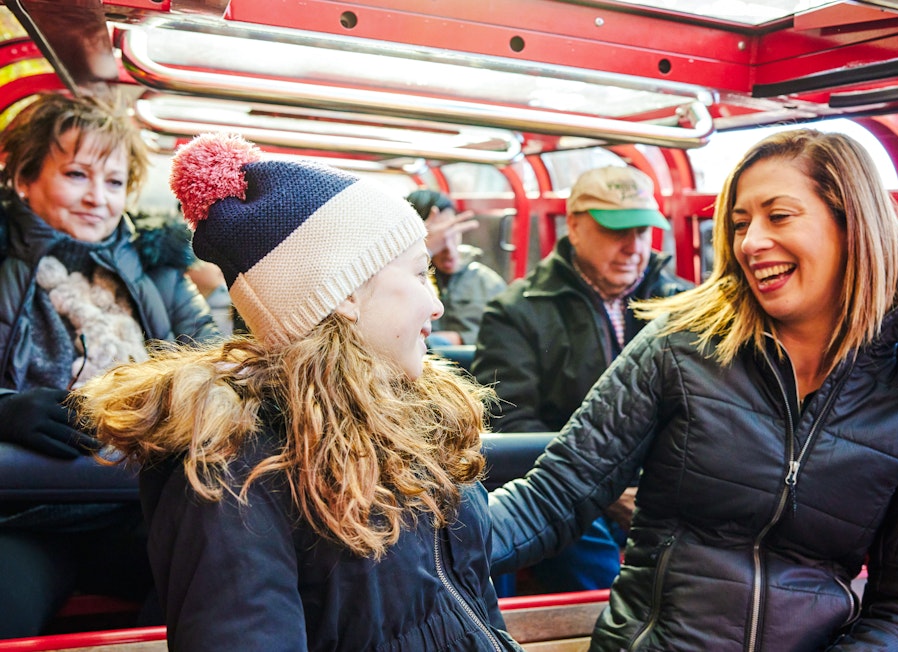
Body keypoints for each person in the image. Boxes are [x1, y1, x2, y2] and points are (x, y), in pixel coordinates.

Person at [488, 129, 898, 651]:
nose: (751, 242)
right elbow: (556, 494)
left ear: (852, 225)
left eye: (778, 216)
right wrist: (422, 543)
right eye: (740, 223)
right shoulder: (680, 347)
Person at [74, 132, 523, 651]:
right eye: (420, 276)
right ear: (348, 293)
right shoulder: (236, 473)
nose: (435, 305)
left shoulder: (404, 419)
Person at [0, 93, 218, 638]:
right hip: (19, 518)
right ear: (24, 178)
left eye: (114, 182)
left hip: (139, 506)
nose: (98, 198)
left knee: (225, 579)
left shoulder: (161, 274)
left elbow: (219, 374)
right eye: (77, 175)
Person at [472, 165, 691, 593]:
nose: (633, 248)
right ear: (573, 226)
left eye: (643, 232)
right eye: (616, 232)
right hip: (574, 485)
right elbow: (509, 424)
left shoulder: (682, 305)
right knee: (575, 529)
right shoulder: (517, 312)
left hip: (663, 489)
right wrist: (606, 494)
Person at [406, 189, 506, 346]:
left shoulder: (487, 283)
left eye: (453, 233)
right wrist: (422, 251)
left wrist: (460, 339)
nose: (449, 249)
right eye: (440, 238)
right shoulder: (408, 279)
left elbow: (506, 335)